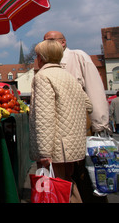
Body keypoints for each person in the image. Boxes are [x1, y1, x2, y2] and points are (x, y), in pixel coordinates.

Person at [29, 40, 93, 203]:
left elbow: (45, 117)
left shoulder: (43, 76)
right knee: (67, 186)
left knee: (57, 189)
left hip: (55, 147)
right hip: (71, 145)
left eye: (37, 55)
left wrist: (44, 152)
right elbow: (88, 105)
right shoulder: (68, 76)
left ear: (41, 57)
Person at [43, 31, 110, 134]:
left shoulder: (78, 57)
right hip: (55, 128)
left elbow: (95, 91)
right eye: (44, 42)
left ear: (63, 42)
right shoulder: (44, 63)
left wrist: (99, 124)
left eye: (51, 41)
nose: (46, 45)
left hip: (79, 124)